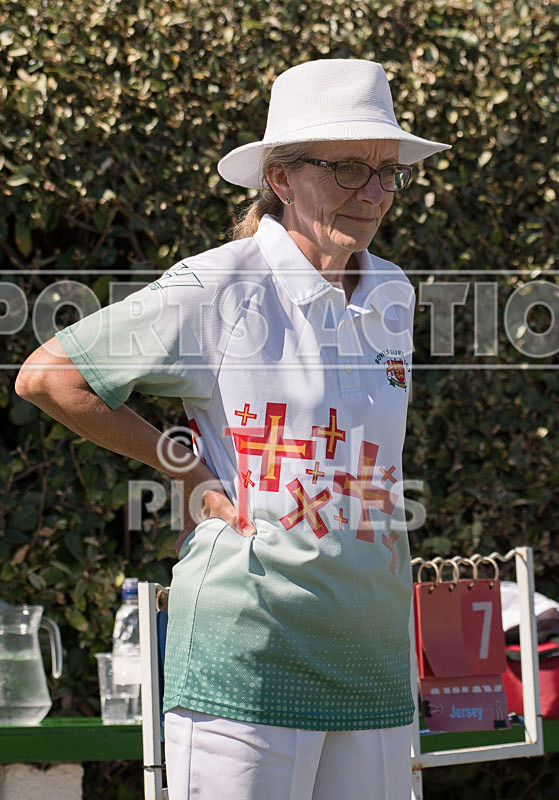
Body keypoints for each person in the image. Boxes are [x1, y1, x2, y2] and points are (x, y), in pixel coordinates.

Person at [16, 59, 450, 799]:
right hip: (244, 660)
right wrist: (180, 463)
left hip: (373, 665)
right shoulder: (217, 283)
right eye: (348, 169)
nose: (374, 194)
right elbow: (50, 376)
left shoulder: (394, 292)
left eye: (388, 172)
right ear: (281, 179)